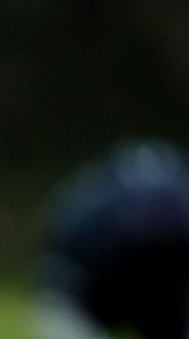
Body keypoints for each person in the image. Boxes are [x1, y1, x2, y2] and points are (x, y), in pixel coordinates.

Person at [36, 140, 189, 339]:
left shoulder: (181, 218)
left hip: (165, 299)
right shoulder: (85, 218)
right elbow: (56, 283)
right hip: (91, 294)